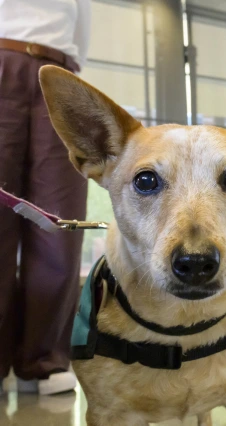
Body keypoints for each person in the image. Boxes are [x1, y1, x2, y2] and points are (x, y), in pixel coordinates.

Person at [0, 0, 91, 395]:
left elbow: (81, 23)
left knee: (60, 220)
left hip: (60, 72)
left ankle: (45, 358)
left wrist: (71, 70)